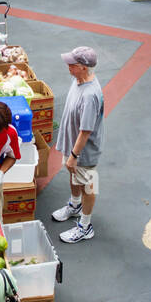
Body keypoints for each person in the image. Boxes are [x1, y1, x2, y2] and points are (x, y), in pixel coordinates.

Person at [52, 46, 104, 244]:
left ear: (83, 67)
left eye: (72, 65)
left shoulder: (90, 95)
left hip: (84, 152)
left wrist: (74, 155)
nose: (68, 68)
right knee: (74, 176)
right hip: (73, 145)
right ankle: (75, 206)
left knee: (89, 185)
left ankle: (85, 225)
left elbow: (86, 131)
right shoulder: (78, 80)